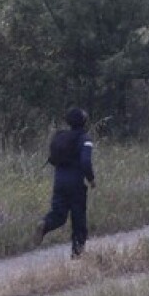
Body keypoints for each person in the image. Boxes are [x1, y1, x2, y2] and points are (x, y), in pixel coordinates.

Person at [34, 107, 96, 258]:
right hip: (75, 183)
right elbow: (86, 162)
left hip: (59, 181)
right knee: (78, 219)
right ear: (83, 121)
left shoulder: (61, 136)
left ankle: (45, 224)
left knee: (59, 215)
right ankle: (77, 254)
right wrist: (91, 179)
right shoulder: (85, 138)